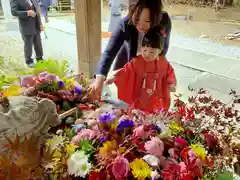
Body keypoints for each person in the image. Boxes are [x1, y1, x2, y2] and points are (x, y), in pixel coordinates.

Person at [90, 0, 172, 101]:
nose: (140, 25)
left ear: (156, 18)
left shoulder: (164, 20)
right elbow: (109, 52)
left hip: (152, 62)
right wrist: (99, 81)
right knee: (129, 97)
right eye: (137, 19)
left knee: (150, 96)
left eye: (147, 21)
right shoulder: (125, 24)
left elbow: (163, 50)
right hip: (129, 64)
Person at [105, 29, 176, 112]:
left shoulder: (163, 63)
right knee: (137, 112)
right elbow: (125, 71)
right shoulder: (136, 61)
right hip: (139, 94)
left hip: (157, 94)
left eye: (152, 52)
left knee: (156, 112)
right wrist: (114, 77)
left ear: (159, 51)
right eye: (144, 50)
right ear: (141, 47)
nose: (147, 54)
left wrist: (171, 83)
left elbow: (170, 73)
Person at [10, 0, 44, 67]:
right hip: (26, 26)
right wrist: (27, 13)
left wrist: (40, 24)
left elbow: (37, 11)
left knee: (38, 44)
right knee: (28, 45)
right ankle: (28, 61)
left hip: (36, 25)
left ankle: (40, 59)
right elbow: (14, 12)